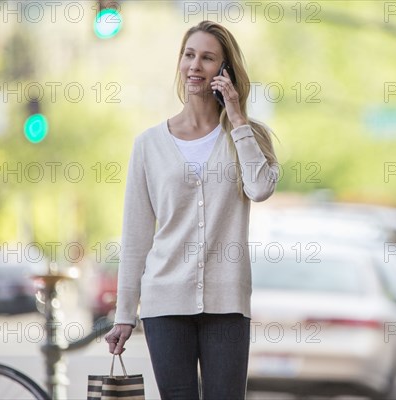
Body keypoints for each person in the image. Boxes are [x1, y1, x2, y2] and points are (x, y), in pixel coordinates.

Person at [104, 20, 278, 400]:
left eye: (207, 58)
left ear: (224, 70)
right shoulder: (148, 145)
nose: (195, 65)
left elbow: (261, 187)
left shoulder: (246, 135)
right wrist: (124, 314)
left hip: (227, 303)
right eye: (189, 55)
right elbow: (136, 236)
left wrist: (236, 116)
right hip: (164, 302)